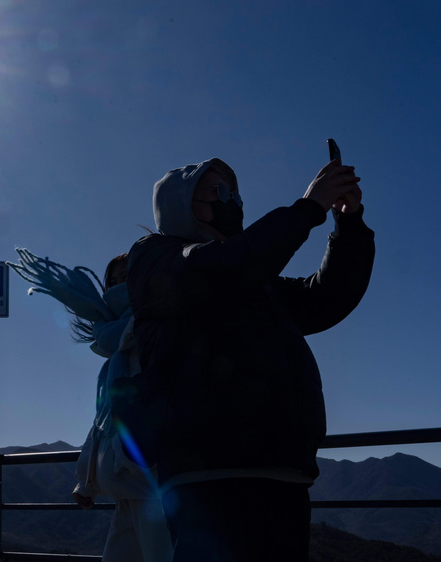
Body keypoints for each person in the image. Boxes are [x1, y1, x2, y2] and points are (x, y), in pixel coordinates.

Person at [124, 157, 375, 561]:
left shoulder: (255, 281)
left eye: (236, 194)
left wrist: (349, 223)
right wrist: (308, 208)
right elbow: (222, 268)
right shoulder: (155, 258)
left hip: (283, 472)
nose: (233, 203)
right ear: (179, 204)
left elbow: (327, 297)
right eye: (218, 193)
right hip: (207, 476)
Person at [10, 249, 172, 561]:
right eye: (111, 281)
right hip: (127, 480)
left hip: (148, 478)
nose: (116, 287)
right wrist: (86, 483)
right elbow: (103, 420)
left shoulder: (149, 328)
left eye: (125, 278)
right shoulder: (116, 347)